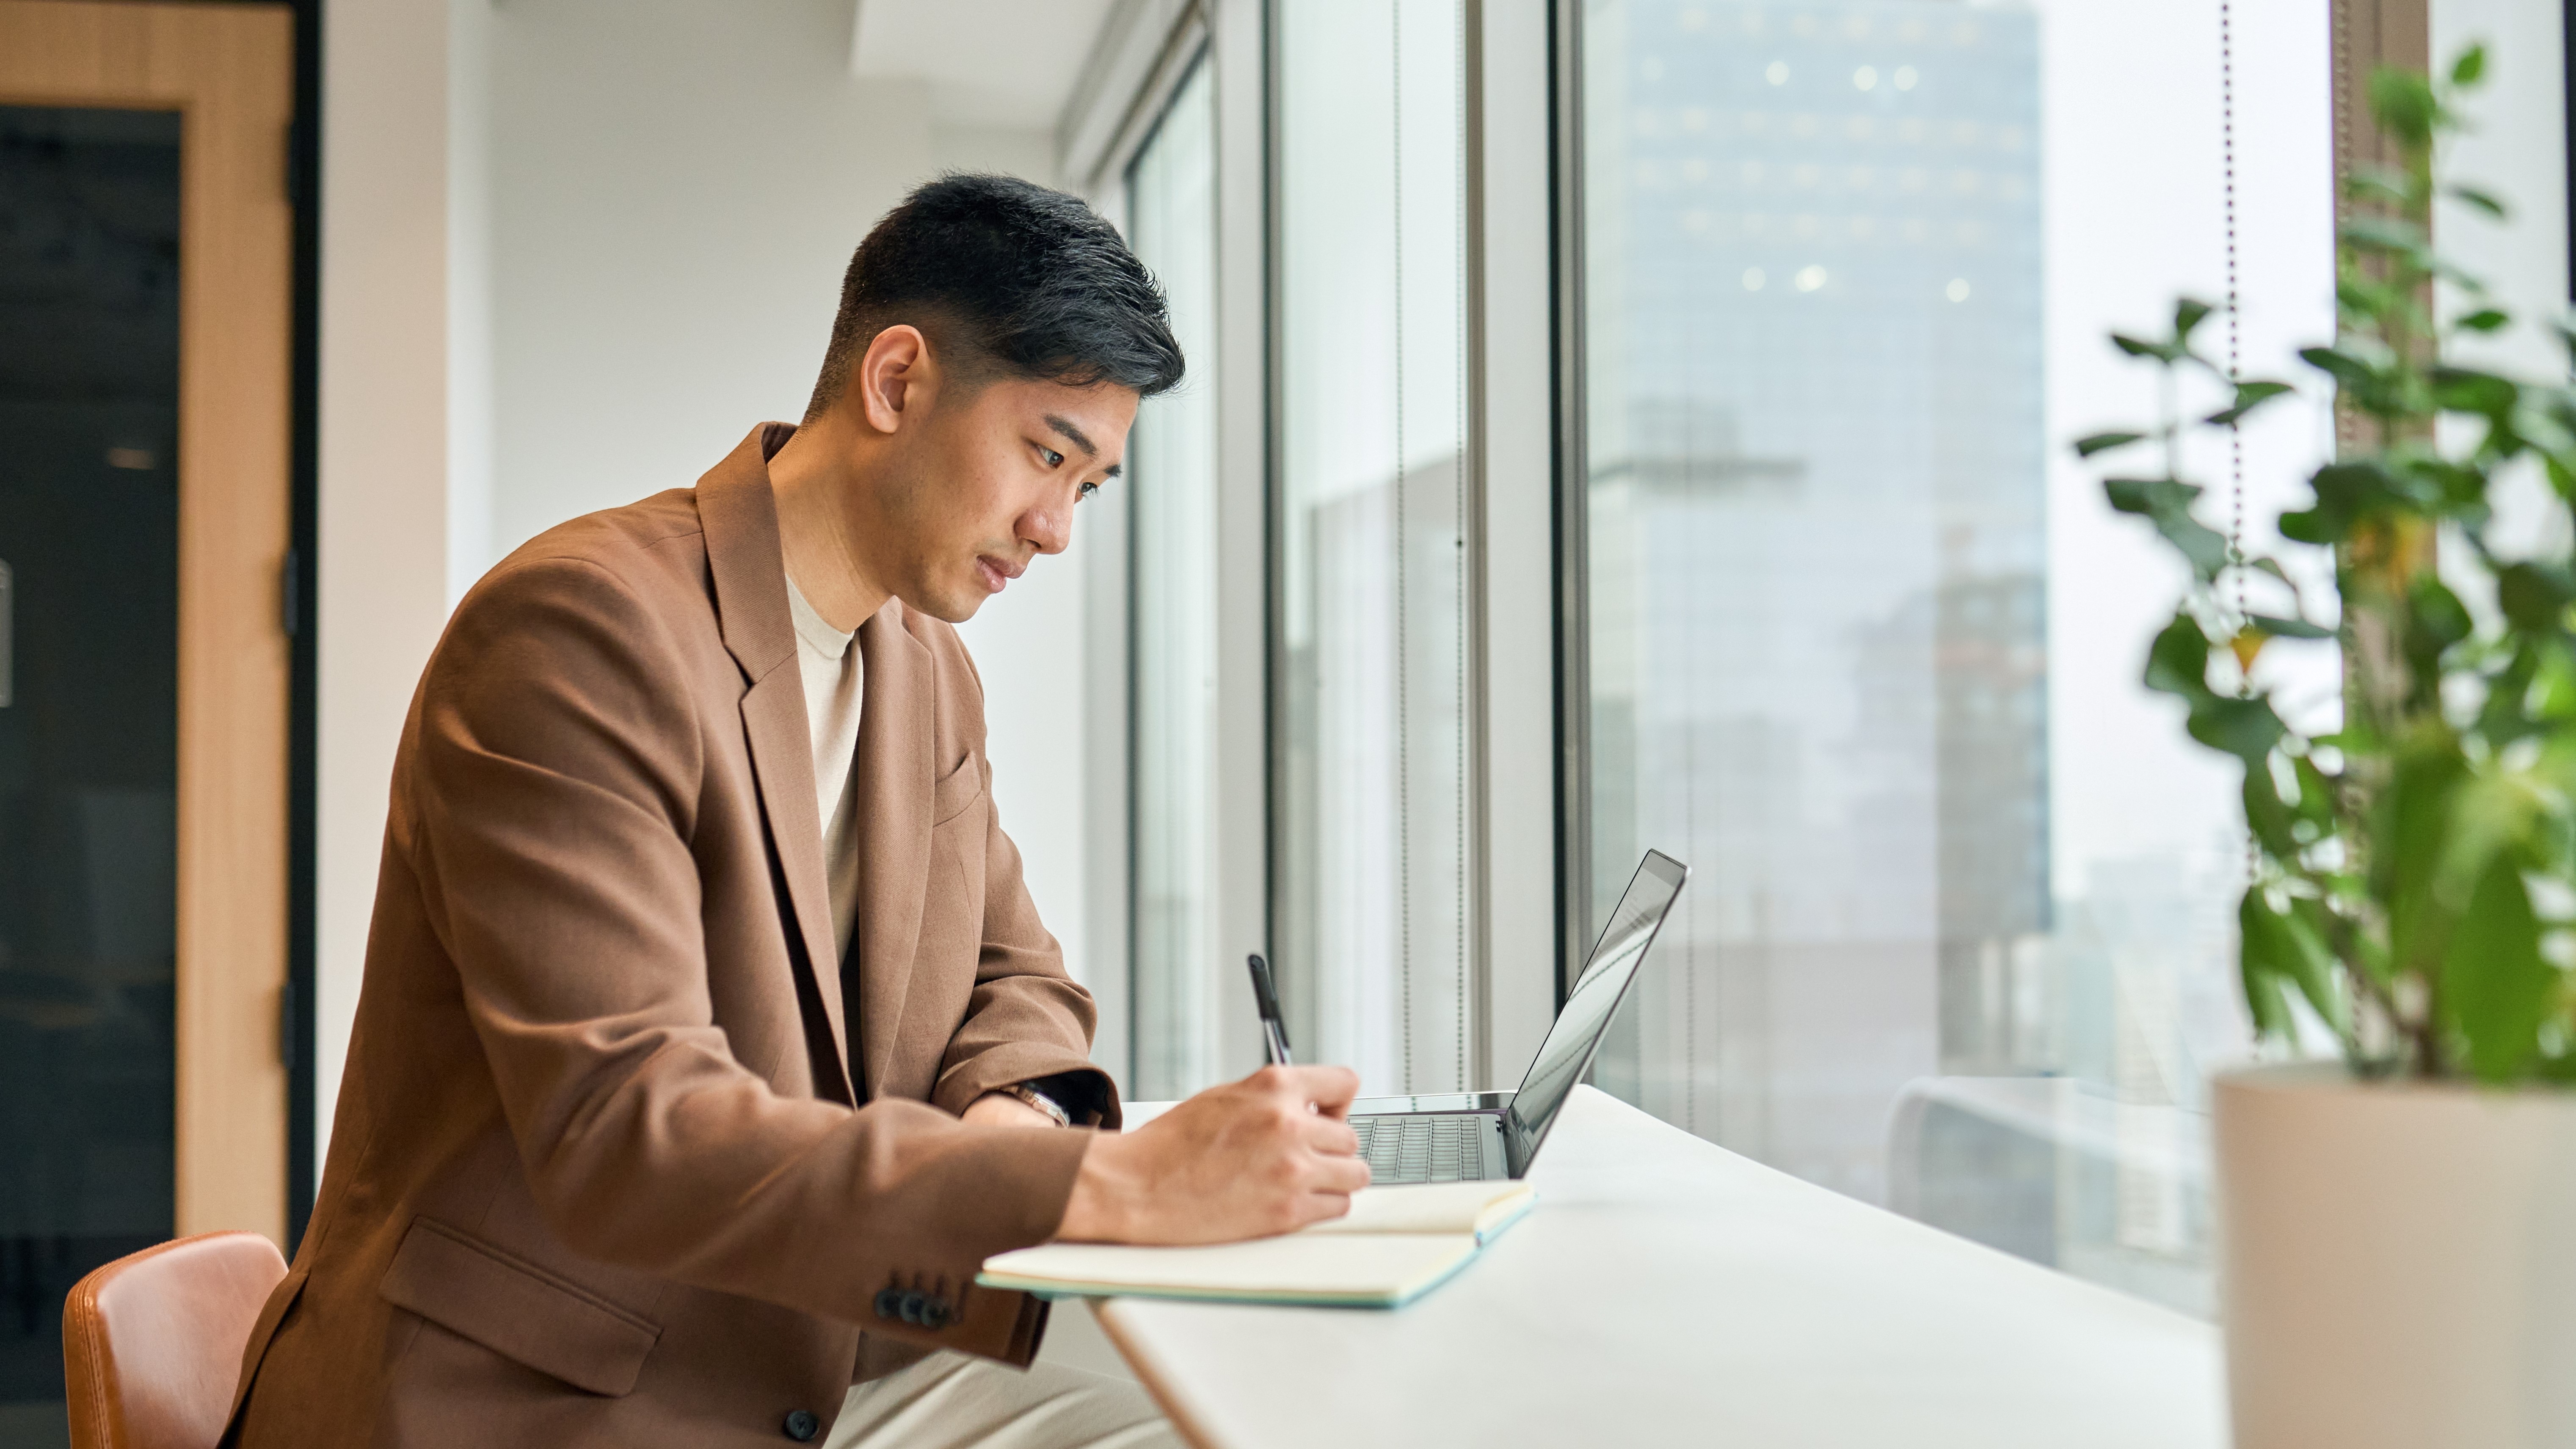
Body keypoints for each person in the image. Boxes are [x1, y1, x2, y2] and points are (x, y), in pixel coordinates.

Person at [226, 175, 1370, 1449]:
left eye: (1090, 489)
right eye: (1049, 453)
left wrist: (1015, 1121)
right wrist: (1103, 1183)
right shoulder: (580, 632)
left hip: (806, 1346)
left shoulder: (925, 669)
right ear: (896, 382)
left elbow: (1019, 979)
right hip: (535, 1397)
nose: (1054, 530)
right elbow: (628, 1132)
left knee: (1247, 1408)